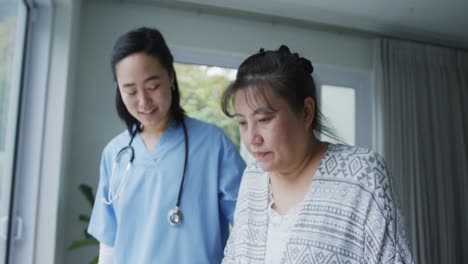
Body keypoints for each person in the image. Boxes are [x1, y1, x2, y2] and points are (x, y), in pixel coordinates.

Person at [220, 45, 413, 263]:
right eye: (242, 123)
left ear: (306, 112)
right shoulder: (252, 178)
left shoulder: (362, 176)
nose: (251, 138)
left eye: (264, 120)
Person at [87, 27, 246, 263]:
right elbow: (109, 245)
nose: (143, 101)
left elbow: (250, 225)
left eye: (152, 87)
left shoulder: (213, 144)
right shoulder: (115, 154)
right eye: (130, 91)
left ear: (170, 77)